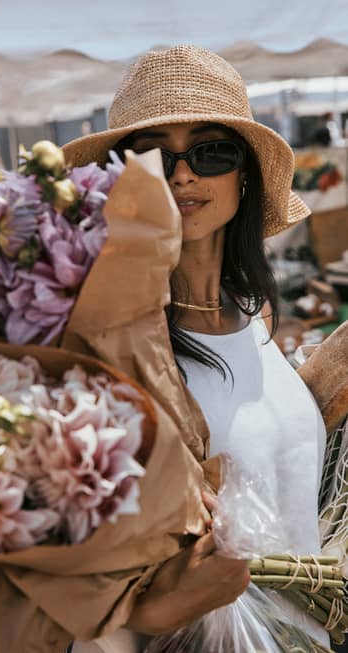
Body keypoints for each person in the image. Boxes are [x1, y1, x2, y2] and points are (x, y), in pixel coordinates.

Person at [62, 45, 328, 652]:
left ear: (243, 173)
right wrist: (156, 613)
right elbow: (86, 582)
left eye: (211, 151)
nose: (183, 175)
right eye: (153, 154)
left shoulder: (252, 316)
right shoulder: (113, 346)